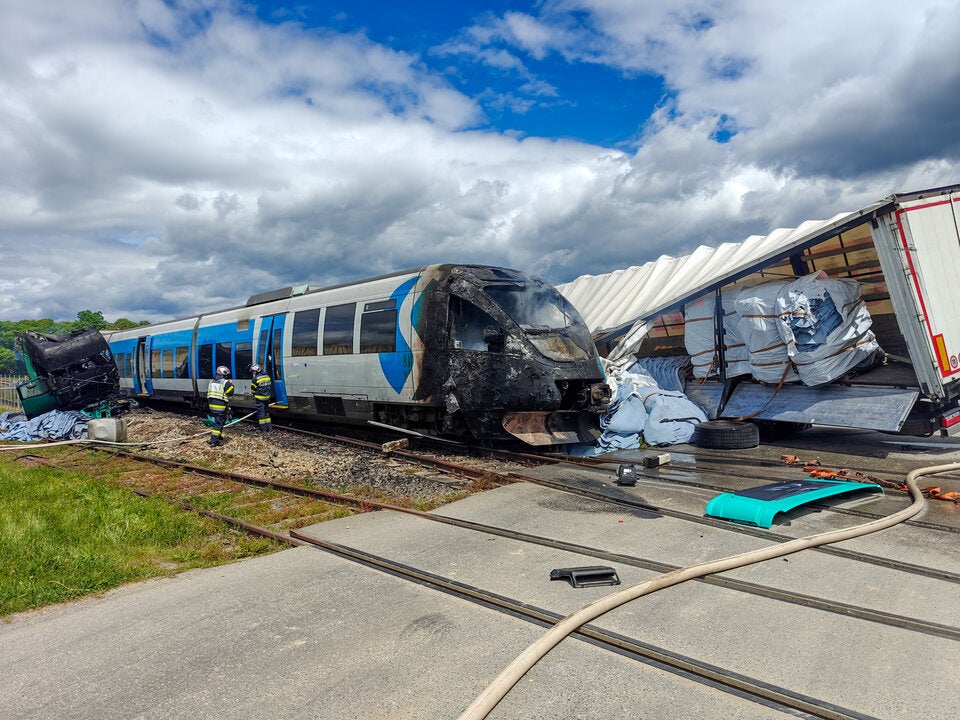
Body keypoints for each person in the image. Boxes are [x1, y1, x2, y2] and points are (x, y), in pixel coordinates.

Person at [207, 365, 235, 446]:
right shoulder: (225, 382)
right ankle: (214, 441)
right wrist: (231, 384)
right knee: (219, 424)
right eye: (226, 375)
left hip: (212, 406)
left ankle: (217, 437)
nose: (227, 376)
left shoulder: (211, 382)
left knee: (218, 422)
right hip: (220, 406)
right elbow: (230, 393)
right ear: (223, 374)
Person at [249, 363, 273, 433]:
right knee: (266, 413)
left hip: (260, 399)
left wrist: (255, 393)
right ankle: (269, 428)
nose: (253, 372)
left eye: (253, 371)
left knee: (261, 414)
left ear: (256, 371)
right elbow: (269, 386)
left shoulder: (255, 379)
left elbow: (253, 390)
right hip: (267, 398)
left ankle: (263, 429)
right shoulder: (267, 376)